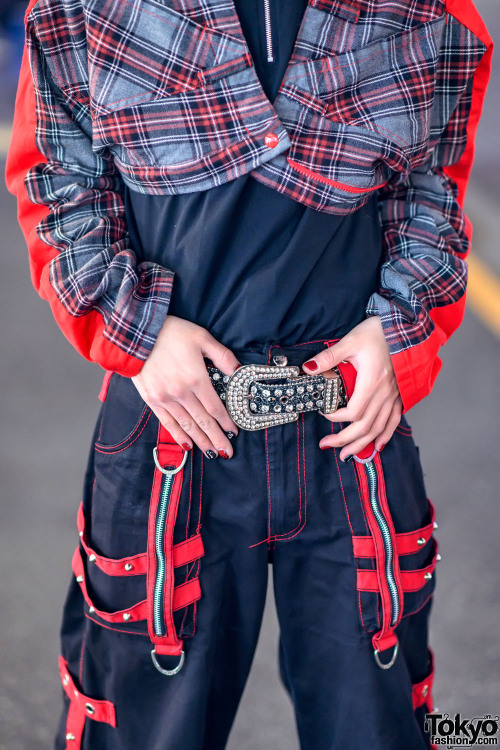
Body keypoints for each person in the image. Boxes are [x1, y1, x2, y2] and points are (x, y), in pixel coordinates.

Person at [5, 0, 493, 747]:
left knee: (383, 728)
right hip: (174, 427)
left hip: (353, 425)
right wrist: (137, 333)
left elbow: (433, 186)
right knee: (143, 730)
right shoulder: (80, 8)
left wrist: (398, 333)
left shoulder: (429, 11)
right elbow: (54, 178)